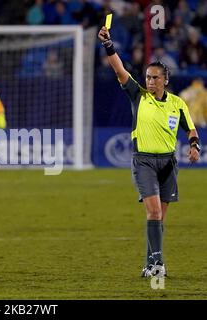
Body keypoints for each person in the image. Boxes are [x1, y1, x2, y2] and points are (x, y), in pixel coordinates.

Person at [98, 26, 200, 278]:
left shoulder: (178, 103)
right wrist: (108, 44)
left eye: (155, 77)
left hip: (168, 164)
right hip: (143, 161)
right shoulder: (138, 96)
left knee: (159, 219)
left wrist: (195, 146)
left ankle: (150, 265)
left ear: (165, 80)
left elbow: (191, 129)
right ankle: (158, 265)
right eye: (148, 77)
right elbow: (119, 69)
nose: (150, 81)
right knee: (153, 212)